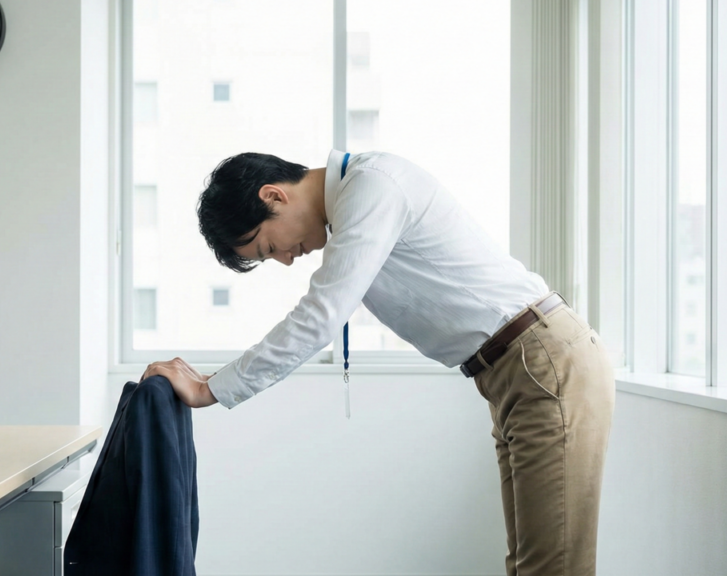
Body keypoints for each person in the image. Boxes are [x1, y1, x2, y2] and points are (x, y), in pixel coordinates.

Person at [141, 150, 615, 576]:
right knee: (530, 563)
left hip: (541, 363)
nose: (285, 260)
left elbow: (320, 315)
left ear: (274, 196)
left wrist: (211, 387)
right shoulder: (356, 206)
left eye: (268, 247)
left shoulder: (373, 186)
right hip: (515, 372)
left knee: (553, 569)